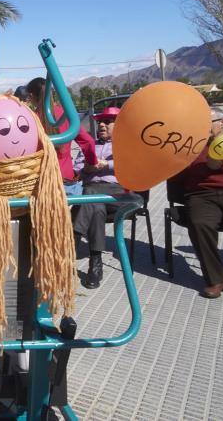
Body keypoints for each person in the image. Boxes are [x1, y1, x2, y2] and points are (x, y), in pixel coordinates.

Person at [179, 108, 223, 299]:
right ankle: (216, 279)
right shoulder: (193, 147)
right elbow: (183, 175)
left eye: (206, 122)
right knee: (200, 223)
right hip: (203, 194)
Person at [72, 106, 136, 289]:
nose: (101, 124)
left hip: (119, 194)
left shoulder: (128, 144)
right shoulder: (89, 144)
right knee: (96, 207)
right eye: (100, 121)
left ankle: (73, 240)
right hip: (93, 194)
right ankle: (96, 262)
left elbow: (130, 162)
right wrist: (85, 169)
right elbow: (77, 170)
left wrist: (104, 165)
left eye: (107, 121)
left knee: (90, 198)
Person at [26, 77, 97, 196]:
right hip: (67, 182)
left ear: (31, 96)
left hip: (42, 184)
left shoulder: (30, 119)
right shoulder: (67, 115)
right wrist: (91, 163)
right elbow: (88, 141)